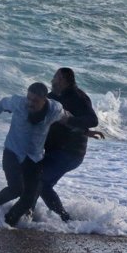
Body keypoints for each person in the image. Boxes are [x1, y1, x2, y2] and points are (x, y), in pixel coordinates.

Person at [0, 82, 71, 227]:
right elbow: (1, 104)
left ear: (45, 100)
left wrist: (85, 131)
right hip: (12, 152)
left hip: (34, 157)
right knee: (16, 189)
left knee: (28, 199)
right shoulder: (18, 103)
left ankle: (7, 224)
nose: (30, 103)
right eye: (29, 98)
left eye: (35, 101)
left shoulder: (54, 109)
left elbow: (67, 117)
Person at [39, 68, 101, 222]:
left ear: (63, 79)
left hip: (70, 152)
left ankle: (64, 219)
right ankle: (58, 218)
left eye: (55, 77)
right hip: (55, 150)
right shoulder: (53, 96)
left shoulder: (79, 97)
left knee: (41, 183)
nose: (52, 80)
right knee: (37, 182)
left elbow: (93, 120)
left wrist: (69, 121)